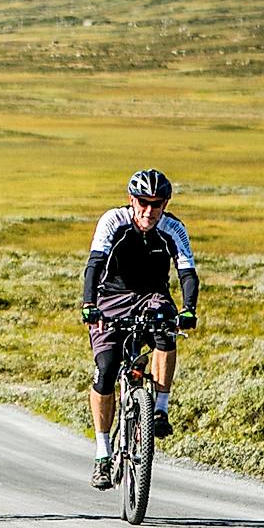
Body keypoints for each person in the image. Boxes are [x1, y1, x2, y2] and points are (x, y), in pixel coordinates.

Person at [81, 169, 199, 489]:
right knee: (105, 372)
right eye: (143, 202)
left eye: (156, 204)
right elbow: (94, 264)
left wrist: (189, 309)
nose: (149, 211)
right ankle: (103, 454)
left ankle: (159, 410)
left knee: (167, 329)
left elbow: (187, 271)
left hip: (152, 297)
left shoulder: (173, 228)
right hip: (111, 298)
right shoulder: (113, 221)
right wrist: (89, 305)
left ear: (165, 203)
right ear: (132, 200)